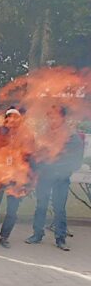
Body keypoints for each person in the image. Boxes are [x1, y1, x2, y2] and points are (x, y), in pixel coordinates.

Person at [26, 105, 84, 251]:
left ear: (62, 118)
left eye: (54, 116)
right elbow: (35, 155)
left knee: (59, 208)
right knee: (41, 206)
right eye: (49, 116)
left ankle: (60, 238)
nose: (51, 119)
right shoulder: (44, 135)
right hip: (44, 177)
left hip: (61, 179)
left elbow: (76, 160)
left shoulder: (72, 137)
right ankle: (37, 234)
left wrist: (62, 171)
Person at [0, 107, 31, 248]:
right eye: (9, 116)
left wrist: (26, 179)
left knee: (12, 210)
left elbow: (30, 158)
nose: (11, 120)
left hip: (16, 177)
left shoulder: (26, 136)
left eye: (15, 117)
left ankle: (5, 237)